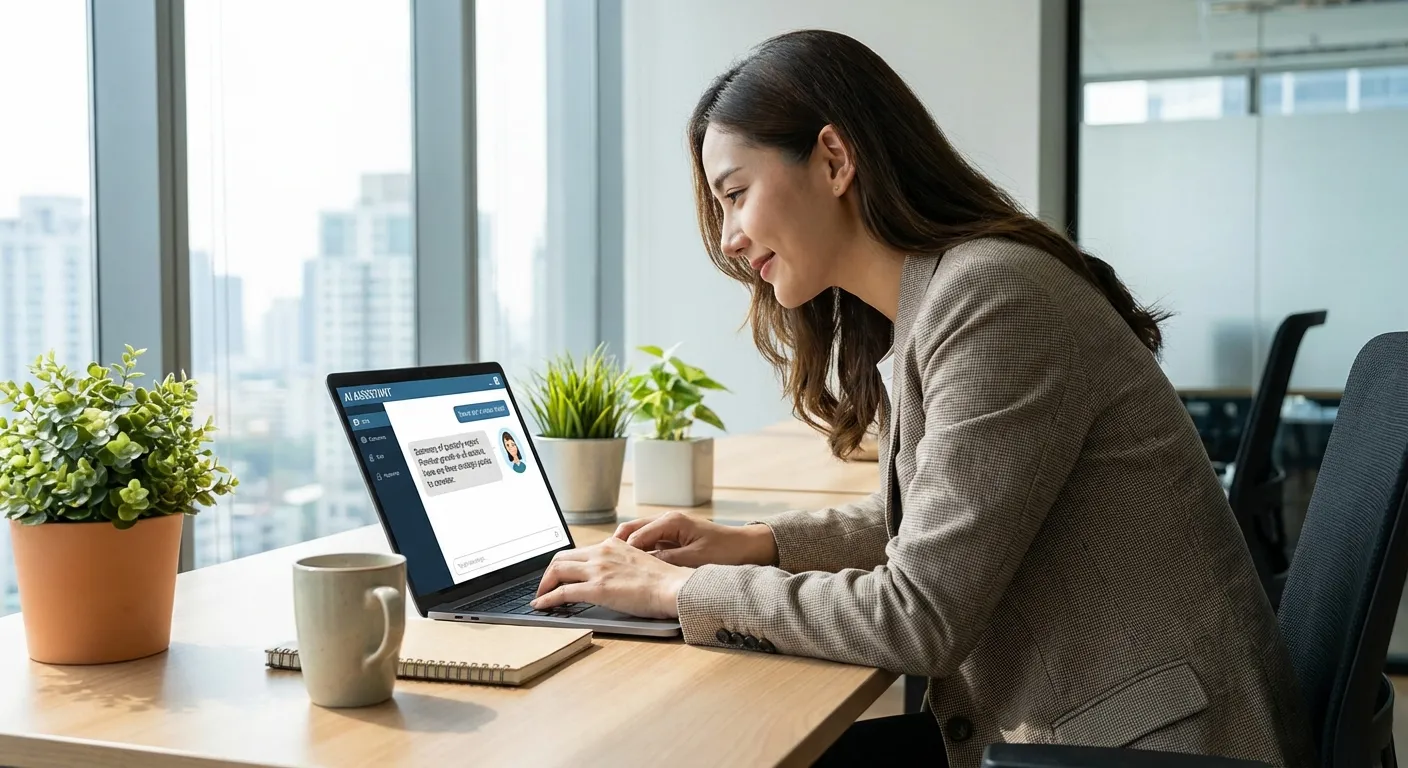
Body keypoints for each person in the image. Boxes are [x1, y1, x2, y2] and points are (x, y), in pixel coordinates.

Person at [532, 29, 1313, 767]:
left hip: (1145, 746)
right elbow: (938, 517)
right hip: (1089, 725)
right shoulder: (944, 296)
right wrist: (756, 543)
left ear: (834, 158)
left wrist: (678, 589)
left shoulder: (992, 299)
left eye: (735, 193)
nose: (730, 237)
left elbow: (919, 615)